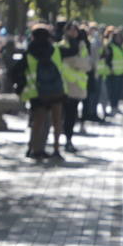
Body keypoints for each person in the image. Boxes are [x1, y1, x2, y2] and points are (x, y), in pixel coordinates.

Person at [21, 24, 78, 161]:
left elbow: (20, 71)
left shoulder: (30, 52)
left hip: (38, 91)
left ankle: (33, 148)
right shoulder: (55, 50)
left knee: (37, 122)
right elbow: (73, 51)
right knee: (57, 121)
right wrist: (71, 37)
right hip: (56, 91)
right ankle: (56, 149)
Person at [57, 22, 91, 154]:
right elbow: (63, 61)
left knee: (72, 115)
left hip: (77, 86)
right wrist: (77, 62)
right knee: (62, 115)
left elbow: (87, 64)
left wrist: (75, 62)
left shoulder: (82, 46)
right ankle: (58, 141)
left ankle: (68, 140)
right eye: (70, 30)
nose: (73, 32)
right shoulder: (61, 45)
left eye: (75, 30)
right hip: (64, 85)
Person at [101, 29, 123, 116]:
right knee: (113, 92)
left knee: (118, 92)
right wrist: (111, 69)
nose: (119, 39)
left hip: (120, 72)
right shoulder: (110, 47)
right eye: (117, 37)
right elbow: (107, 60)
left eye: (119, 37)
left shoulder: (120, 46)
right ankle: (113, 107)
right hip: (113, 73)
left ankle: (116, 106)